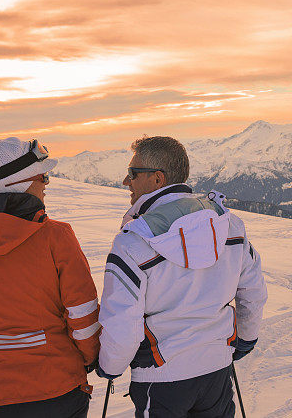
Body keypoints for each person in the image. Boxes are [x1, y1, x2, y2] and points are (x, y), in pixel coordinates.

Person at [96, 136, 267, 417]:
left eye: (133, 174)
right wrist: (244, 341)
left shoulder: (133, 242)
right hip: (217, 369)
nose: (127, 182)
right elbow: (253, 293)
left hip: (161, 376)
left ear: (157, 179)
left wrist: (110, 367)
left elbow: (123, 321)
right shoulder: (230, 226)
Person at [0, 129, 100, 418]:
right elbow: (83, 317)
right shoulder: (57, 237)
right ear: (21, 183)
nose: (47, 185)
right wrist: (87, 360)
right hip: (57, 390)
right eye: (43, 177)